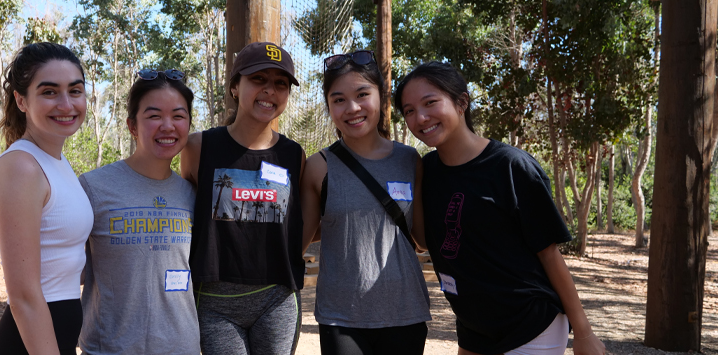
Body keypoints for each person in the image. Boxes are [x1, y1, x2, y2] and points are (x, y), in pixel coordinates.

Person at [394, 61, 606, 355]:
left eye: (430, 102)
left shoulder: (511, 166)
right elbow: (423, 241)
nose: (421, 117)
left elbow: (549, 254)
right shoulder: (425, 171)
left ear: (461, 103)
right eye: (409, 111)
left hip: (530, 322)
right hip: (473, 326)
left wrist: (584, 333)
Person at [300, 50, 432, 355]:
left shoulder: (410, 160)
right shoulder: (319, 166)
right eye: (339, 100)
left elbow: (422, 239)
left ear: (382, 97)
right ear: (329, 106)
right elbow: (299, 239)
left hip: (406, 310)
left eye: (362, 94)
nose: (353, 108)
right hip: (341, 315)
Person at [180, 41, 305, 355]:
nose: (269, 91)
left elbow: (299, 227)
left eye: (280, 84)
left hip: (276, 297)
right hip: (215, 301)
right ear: (235, 87)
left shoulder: (294, 154)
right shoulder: (198, 147)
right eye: (258, 80)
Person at [76, 69, 199, 354]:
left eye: (178, 116)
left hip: (181, 346)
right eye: (154, 116)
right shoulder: (94, 187)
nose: (168, 126)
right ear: (132, 126)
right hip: (110, 347)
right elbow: (69, 270)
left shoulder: (192, 194)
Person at [0, 42, 94, 355]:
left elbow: (63, 265)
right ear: (21, 100)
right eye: (49, 92)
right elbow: (24, 296)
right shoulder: (21, 166)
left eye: (75, 90)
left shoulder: (56, 162)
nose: (66, 104)